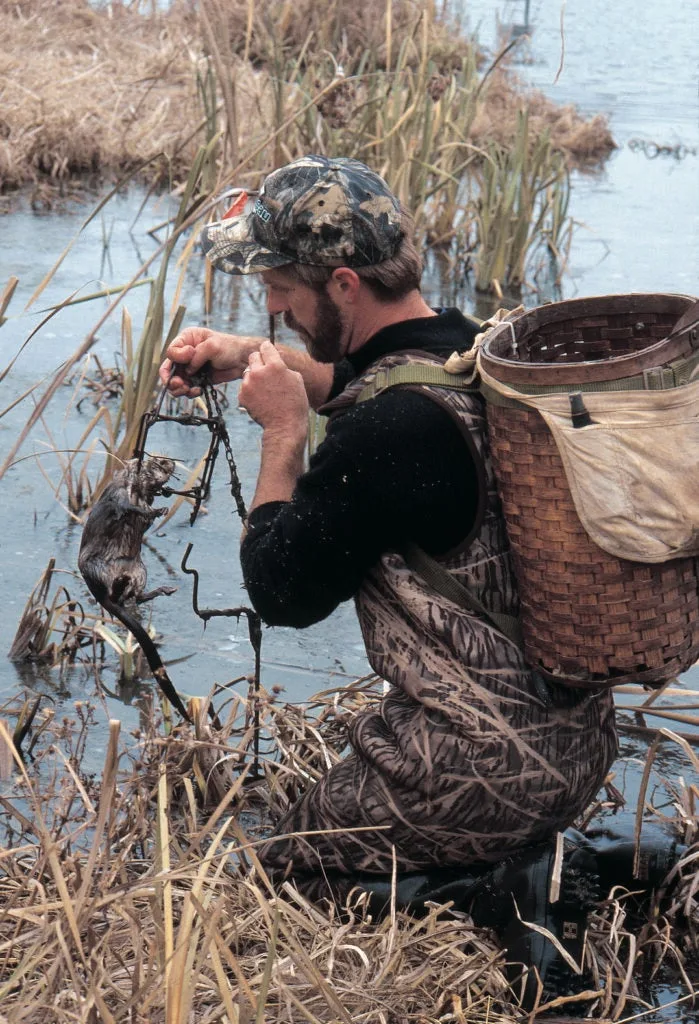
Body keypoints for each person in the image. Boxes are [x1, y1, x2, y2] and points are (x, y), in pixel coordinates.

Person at [160, 154, 618, 885]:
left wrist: (282, 435)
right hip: (577, 751)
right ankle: (517, 873)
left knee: (261, 879)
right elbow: (377, 376)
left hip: (471, 776)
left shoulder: (386, 433)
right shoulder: (474, 347)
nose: (274, 308)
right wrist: (249, 356)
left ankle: (479, 900)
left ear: (343, 283)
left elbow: (282, 593)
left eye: (279, 289)